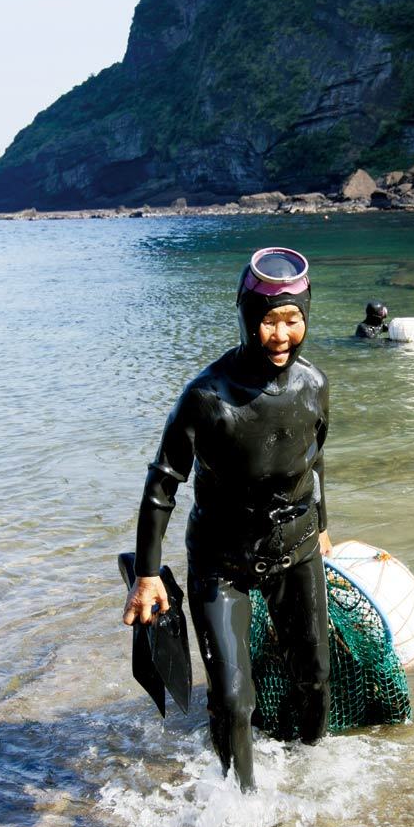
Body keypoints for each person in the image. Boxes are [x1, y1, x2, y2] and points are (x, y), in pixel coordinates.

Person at [123, 247, 332, 792]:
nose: (282, 334)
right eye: (269, 320)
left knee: (314, 678)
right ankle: (238, 804)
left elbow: (316, 458)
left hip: (298, 548)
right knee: (234, 699)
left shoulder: (315, 384)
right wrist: (147, 575)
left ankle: (315, 778)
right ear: (246, 317)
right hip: (223, 561)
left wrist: (324, 525)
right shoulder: (206, 397)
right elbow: (162, 485)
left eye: (294, 320)